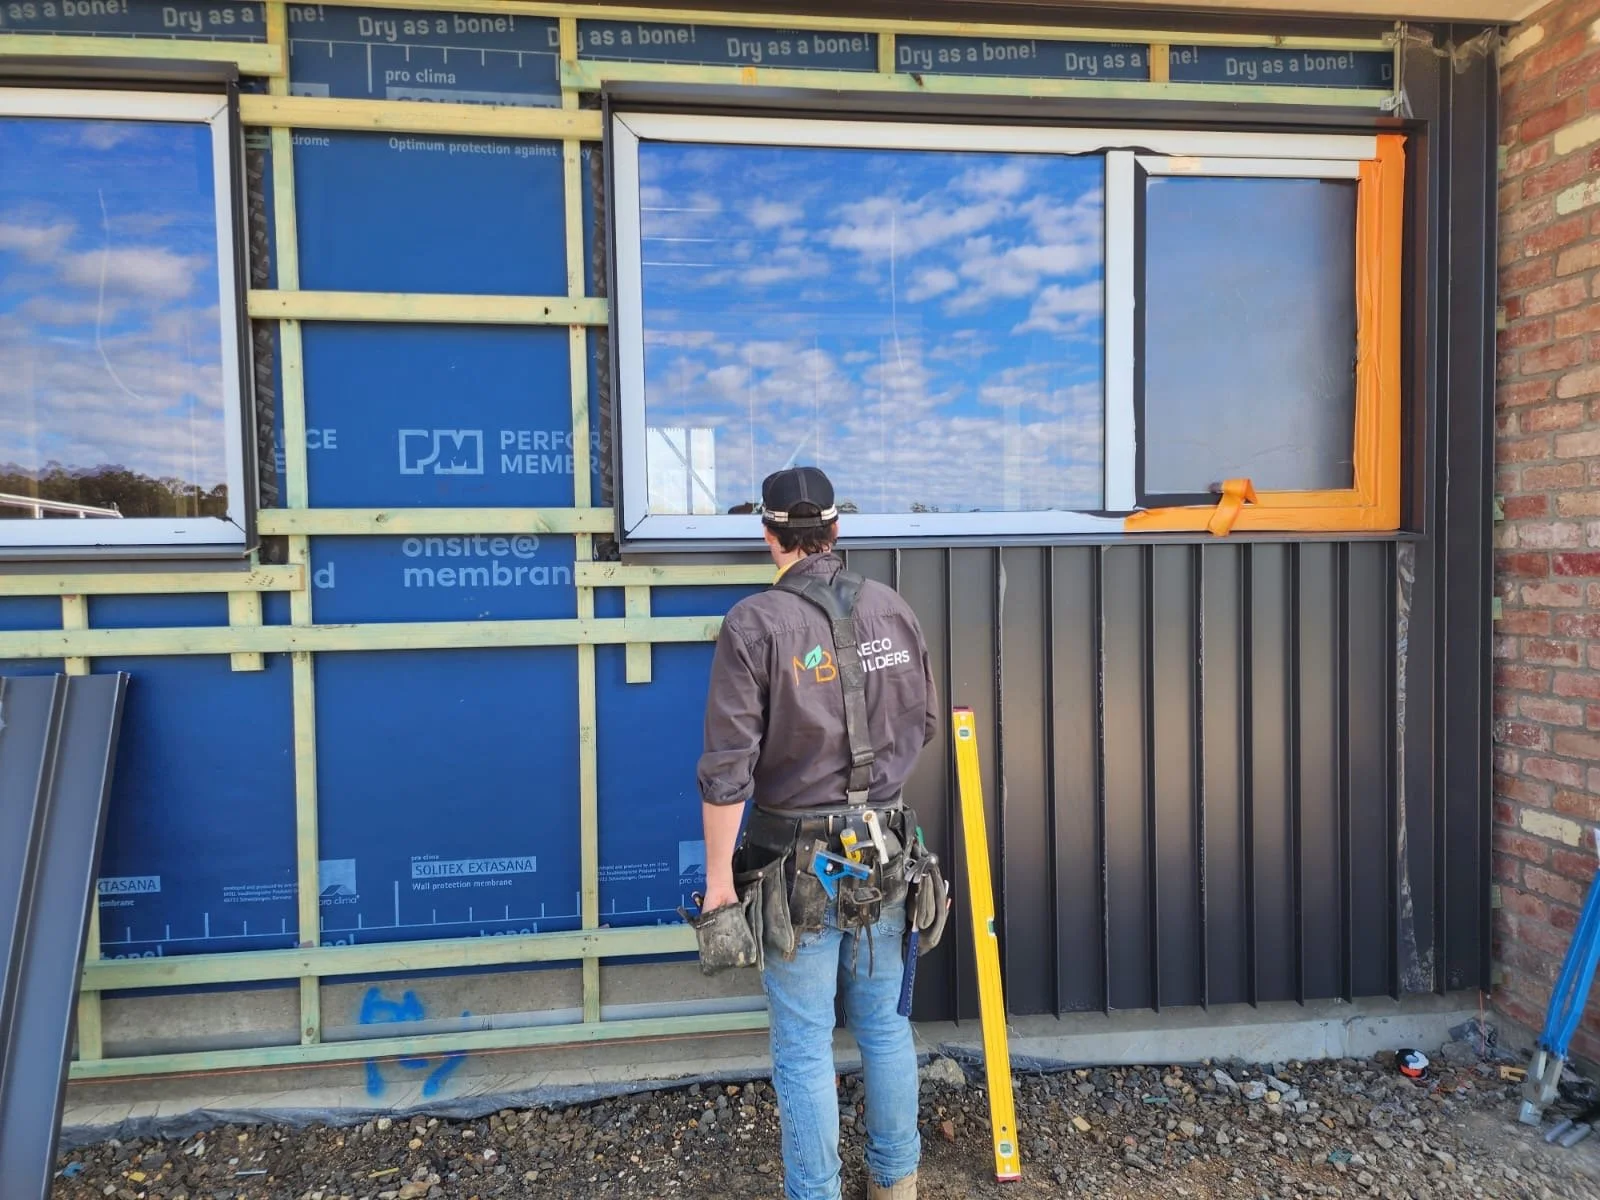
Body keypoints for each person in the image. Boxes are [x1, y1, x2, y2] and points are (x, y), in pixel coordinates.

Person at [697, 465, 940, 1200]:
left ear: (769, 536)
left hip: (791, 864)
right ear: (834, 530)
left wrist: (718, 886)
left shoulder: (753, 624)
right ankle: (896, 1183)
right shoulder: (893, 608)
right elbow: (924, 723)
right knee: (885, 1027)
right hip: (886, 851)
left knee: (804, 1045)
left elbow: (727, 772)